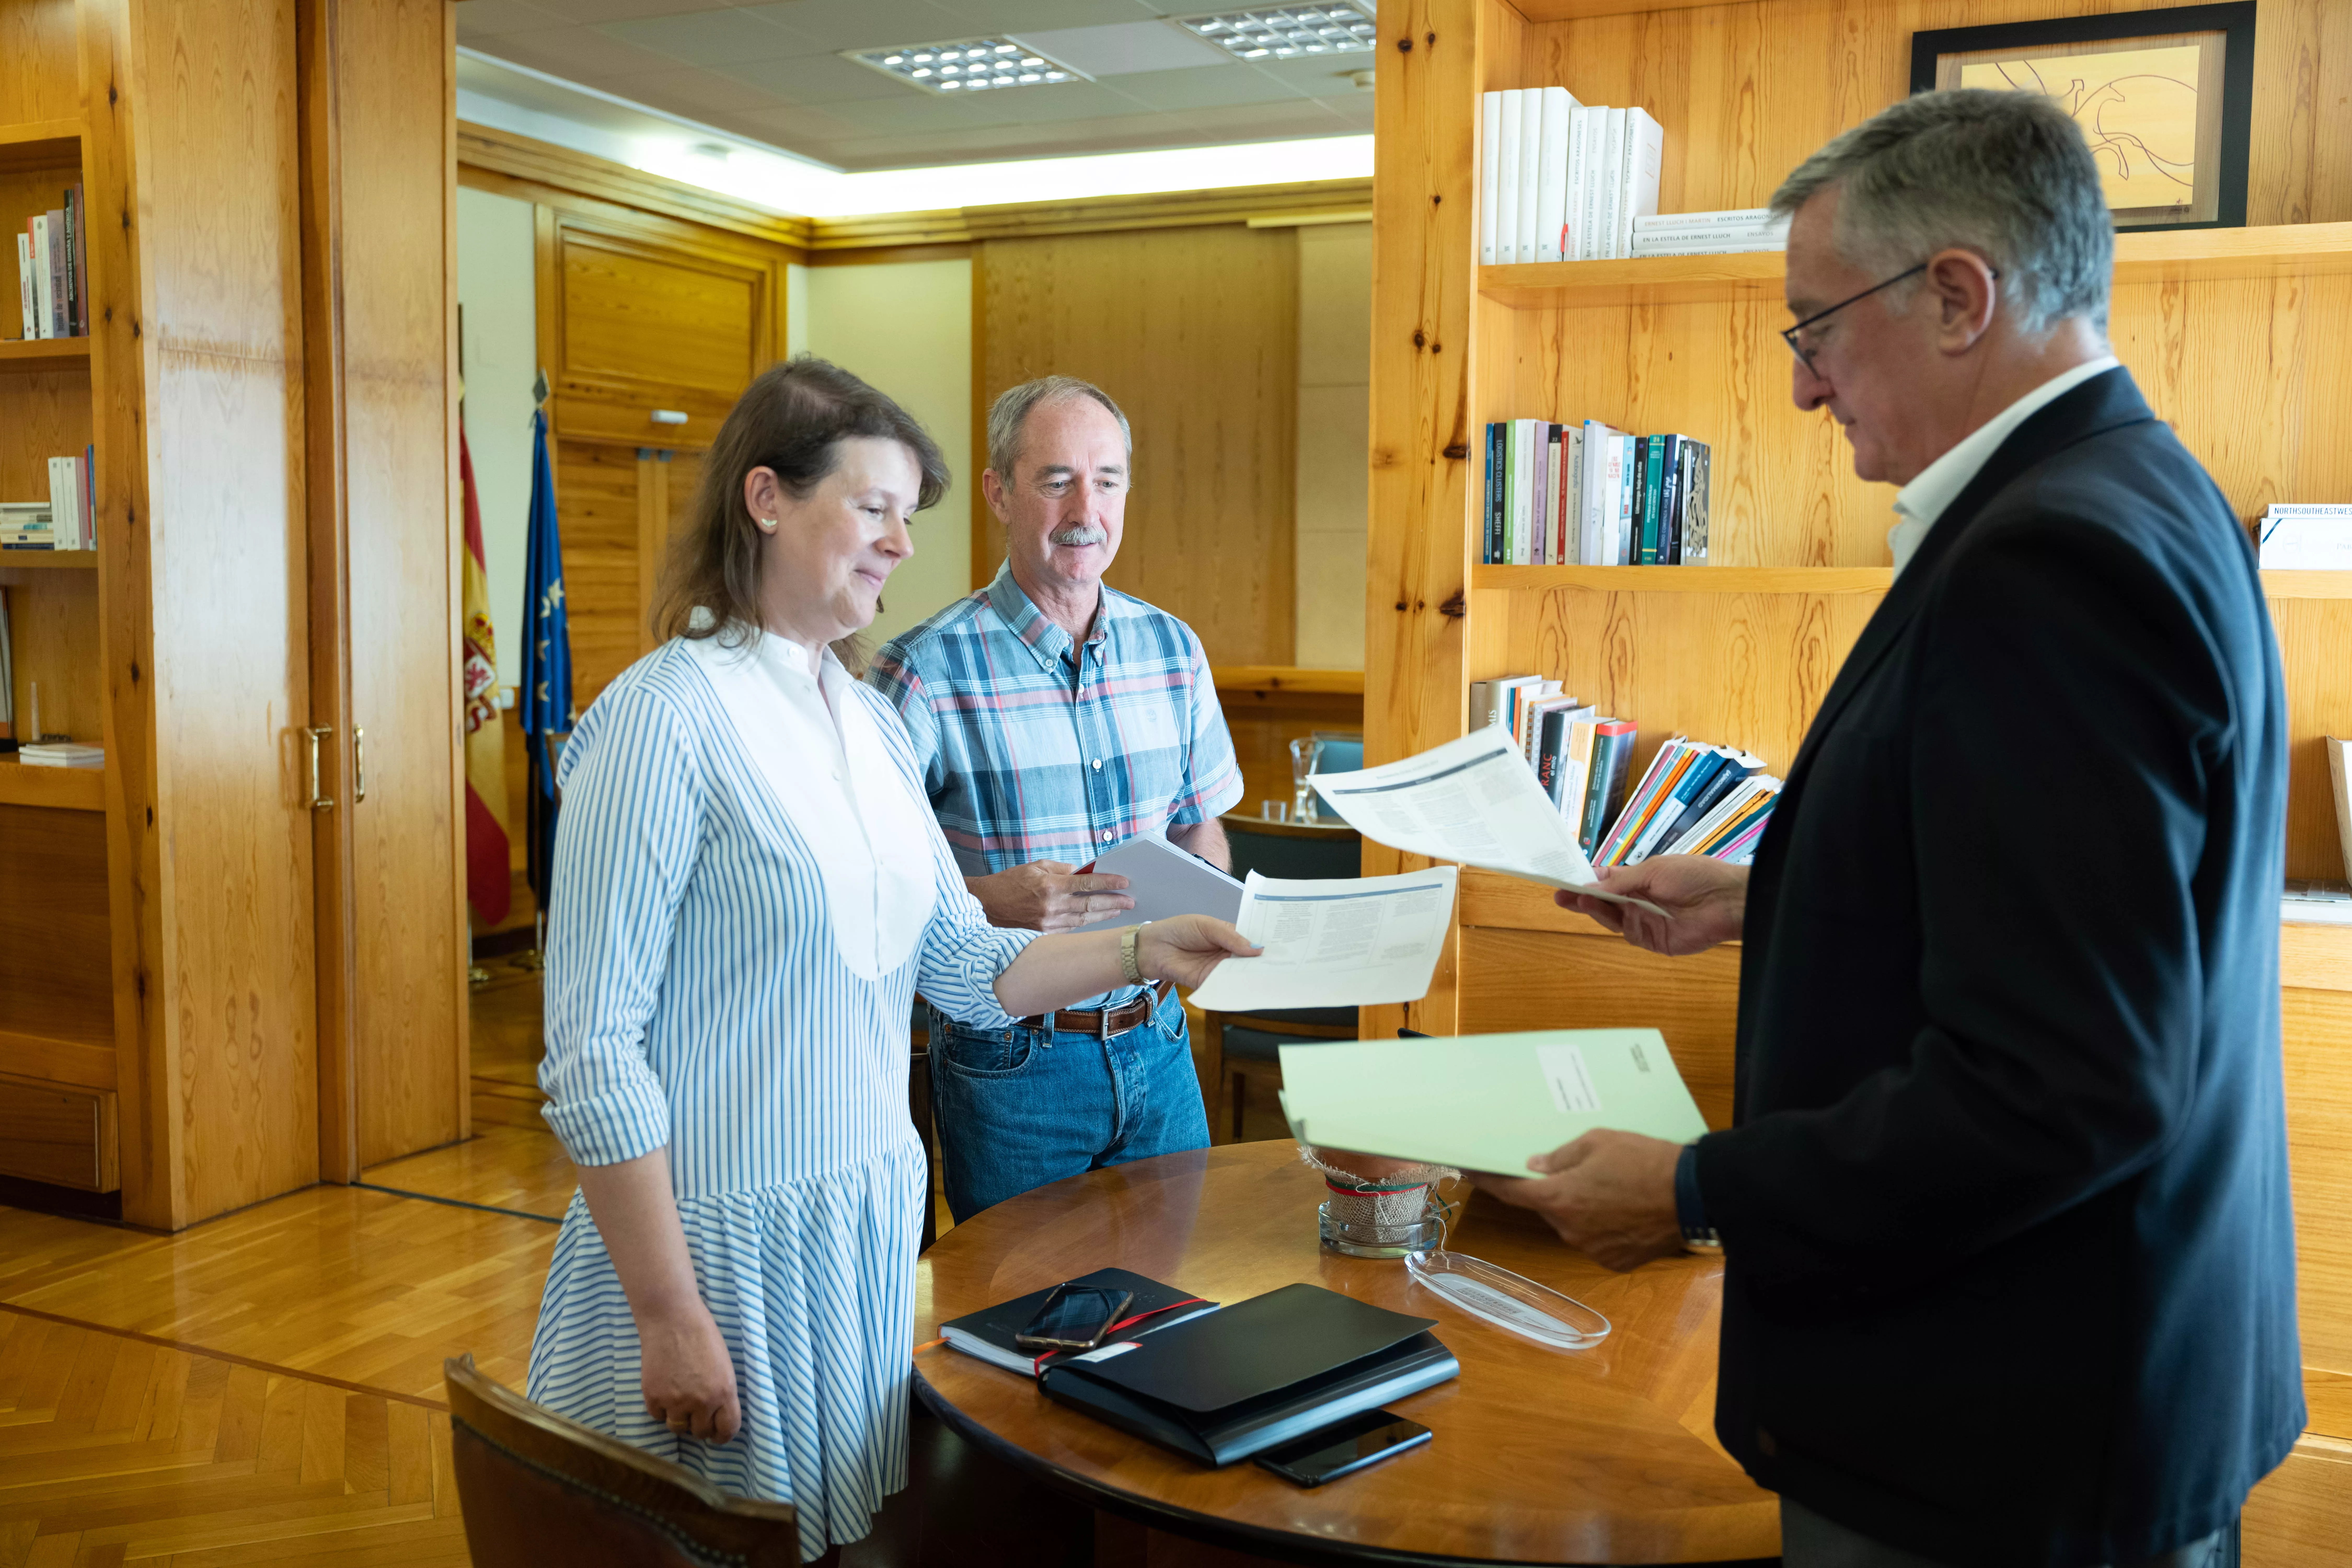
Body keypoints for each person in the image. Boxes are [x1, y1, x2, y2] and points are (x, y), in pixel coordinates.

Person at [1479, 91, 2300, 1567]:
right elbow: (2071, 912)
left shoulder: (2044, 560)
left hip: (2003, 1437)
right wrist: (1767, 889)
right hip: (2085, 1389)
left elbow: (2060, 1084)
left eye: (1812, 326)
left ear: (1956, 297)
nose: (1801, 386)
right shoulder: (2137, 491)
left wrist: (1686, 1188)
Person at [526, 358, 1255, 1566]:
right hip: (717, 1255)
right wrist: (667, 1315)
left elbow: (964, 967)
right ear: (767, 499)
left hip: (859, 1236)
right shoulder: (664, 716)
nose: (902, 547)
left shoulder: (863, 719)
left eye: (908, 518)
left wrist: (1143, 946)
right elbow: (592, 1055)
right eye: (874, 510)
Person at [866, 375, 1243, 1221]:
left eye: (1107, 480)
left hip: (1162, 1041)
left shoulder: (1173, 650)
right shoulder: (920, 673)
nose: (1087, 507)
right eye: (1056, 479)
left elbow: (1202, 830)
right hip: (1014, 1066)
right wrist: (987, 900)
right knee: (1026, 1327)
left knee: (1180, 1318)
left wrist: (1216, 897)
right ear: (1000, 492)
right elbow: (867, 893)